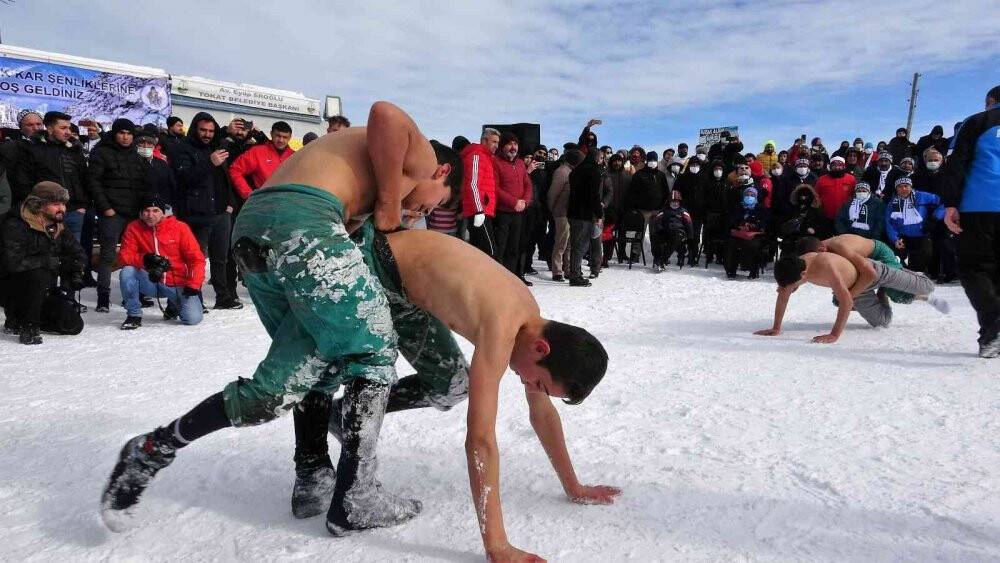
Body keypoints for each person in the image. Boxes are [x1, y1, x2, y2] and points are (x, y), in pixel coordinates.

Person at [99, 101, 464, 533]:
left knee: (289, 381)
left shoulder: (357, 183)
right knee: (373, 349)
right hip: (303, 219)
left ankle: (156, 448)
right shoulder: (420, 160)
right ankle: (357, 495)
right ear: (442, 175)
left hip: (257, 229)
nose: (417, 213)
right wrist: (389, 201)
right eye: (432, 205)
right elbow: (384, 113)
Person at [292, 221, 614, 561]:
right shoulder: (503, 326)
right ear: (542, 349)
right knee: (350, 370)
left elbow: (542, 414)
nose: (529, 387)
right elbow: (481, 442)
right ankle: (326, 454)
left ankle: (342, 416)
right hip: (373, 265)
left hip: (407, 291)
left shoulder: (531, 326)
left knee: (453, 383)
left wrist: (573, 486)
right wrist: (498, 546)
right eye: (539, 384)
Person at [756, 240, 942, 343]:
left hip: (874, 272)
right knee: (882, 322)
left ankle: (904, 274)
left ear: (803, 274)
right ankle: (883, 292)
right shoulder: (792, 269)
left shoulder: (826, 264)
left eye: (792, 285)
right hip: (857, 288)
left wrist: (834, 334)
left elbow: (845, 301)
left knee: (927, 287)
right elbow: (783, 294)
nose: (788, 289)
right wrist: (776, 327)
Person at [941, 85, 1000, 357]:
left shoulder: (977, 121)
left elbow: (957, 163)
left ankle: (992, 328)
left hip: (980, 206)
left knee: (974, 267)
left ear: (990, 101)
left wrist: (951, 203)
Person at [0, 182, 86, 344]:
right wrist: (52, 262)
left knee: (73, 325)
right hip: (11, 286)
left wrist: (74, 269)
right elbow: (13, 263)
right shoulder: (15, 224)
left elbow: (78, 252)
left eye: (63, 204)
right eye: (55, 204)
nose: (62, 208)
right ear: (39, 205)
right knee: (37, 273)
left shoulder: (57, 225)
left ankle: (22, 318)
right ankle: (28, 325)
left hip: (44, 290)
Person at [170, 112, 239, 309]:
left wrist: (230, 203)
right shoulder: (182, 148)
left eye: (210, 131)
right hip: (195, 214)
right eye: (203, 130)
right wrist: (209, 163)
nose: (207, 134)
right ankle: (194, 297)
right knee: (195, 258)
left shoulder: (216, 147)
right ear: (194, 129)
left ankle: (223, 296)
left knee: (221, 258)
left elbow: (226, 179)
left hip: (220, 212)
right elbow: (184, 177)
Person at [116, 195, 205, 329]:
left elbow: (196, 259)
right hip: (150, 280)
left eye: (155, 210)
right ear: (140, 213)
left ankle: (174, 305)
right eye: (146, 211)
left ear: (163, 212)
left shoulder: (180, 227)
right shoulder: (133, 227)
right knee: (127, 271)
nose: (150, 215)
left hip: (176, 282)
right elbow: (124, 256)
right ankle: (133, 315)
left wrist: (194, 284)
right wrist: (144, 259)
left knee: (192, 319)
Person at [89, 118, 150, 312]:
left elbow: (142, 184)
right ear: (115, 133)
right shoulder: (101, 152)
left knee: (135, 255)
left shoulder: (136, 155)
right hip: (112, 213)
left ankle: (134, 294)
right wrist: (106, 207)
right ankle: (103, 298)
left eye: (129, 133)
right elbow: (94, 182)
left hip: (134, 213)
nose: (126, 137)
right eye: (122, 133)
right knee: (107, 256)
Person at [14, 112, 89, 241]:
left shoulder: (74, 149)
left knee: (73, 253)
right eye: (63, 128)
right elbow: (23, 182)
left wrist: (82, 206)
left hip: (74, 211)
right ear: (49, 129)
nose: (68, 132)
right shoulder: (33, 149)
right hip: (44, 213)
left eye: (69, 128)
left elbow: (85, 178)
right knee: (47, 253)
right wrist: (35, 208)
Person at [493, 132, 535, 284]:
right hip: (502, 213)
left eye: (515, 144)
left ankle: (512, 280)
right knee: (500, 248)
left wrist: (525, 201)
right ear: (503, 146)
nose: (513, 147)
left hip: (519, 213)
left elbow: (528, 184)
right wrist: (513, 202)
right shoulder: (496, 162)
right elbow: (495, 188)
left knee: (514, 247)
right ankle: (497, 280)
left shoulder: (520, 164)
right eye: (509, 144)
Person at [885, 177, 944, 272]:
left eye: (906, 186)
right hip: (903, 237)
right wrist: (894, 239)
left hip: (921, 235)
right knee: (896, 259)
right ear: (896, 189)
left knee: (923, 258)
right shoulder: (892, 203)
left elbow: (943, 203)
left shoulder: (921, 196)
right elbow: (889, 223)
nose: (903, 189)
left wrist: (934, 218)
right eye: (900, 187)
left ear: (911, 187)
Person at [567, 144, 604, 285]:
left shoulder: (576, 170)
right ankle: (575, 276)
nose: (602, 160)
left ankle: (574, 272)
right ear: (595, 157)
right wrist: (599, 214)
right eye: (601, 157)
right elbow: (593, 195)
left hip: (572, 212)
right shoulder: (594, 171)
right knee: (580, 246)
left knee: (575, 245)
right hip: (584, 214)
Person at [460, 128, 500, 256]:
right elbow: (473, 184)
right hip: (479, 211)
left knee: (480, 251)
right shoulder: (476, 155)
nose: (496, 146)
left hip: (483, 210)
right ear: (484, 140)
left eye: (497, 143)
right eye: (494, 142)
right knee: (490, 251)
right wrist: (479, 210)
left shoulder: (486, 158)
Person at [626, 151, 669, 265]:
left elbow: (666, 193)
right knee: (639, 233)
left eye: (654, 160)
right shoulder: (639, 174)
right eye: (650, 160)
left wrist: (663, 207)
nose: (652, 162)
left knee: (656, 235)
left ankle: (658, 256)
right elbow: (632, 192)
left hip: (657, 210)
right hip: (642, 210)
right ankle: (635, 254)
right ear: (647, 161)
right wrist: (634, 207)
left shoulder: (661, 175)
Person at [547, 150, 582, 281]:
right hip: (561, 212)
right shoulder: (562, 171)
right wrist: (552, 208)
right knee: (561, 243)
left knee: (569, 244)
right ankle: (557, 271)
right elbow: (553, 193)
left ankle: (567, 270)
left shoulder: (573, 171)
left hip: (571, 213)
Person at [725, 184, 768, 279]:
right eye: (747, 195)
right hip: (739, 233)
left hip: (754, 235)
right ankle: (731, 271)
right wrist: (740, 224)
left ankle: (753, 271)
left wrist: (753, 225)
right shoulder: (738, 207)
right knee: (732, 244)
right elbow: (732, 220)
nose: (749, 197)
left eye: (752, 195)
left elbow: (764, 223)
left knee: (753, 245)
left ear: (756, 197)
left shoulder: (760, 208)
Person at [136, 127, 177, 211]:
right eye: (142, 142)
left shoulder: (162, 163)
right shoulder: (130, 162)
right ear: (136, 144)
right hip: (137, 207)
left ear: (154, 145)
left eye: (149, 143)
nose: (145, 146)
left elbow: (170, 185)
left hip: (160, 207)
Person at [652, 190, 694, 269]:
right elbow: (657, 221)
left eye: (677, 201)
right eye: (673, 201)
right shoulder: (664, 211)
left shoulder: (683, 212)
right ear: (669, 201)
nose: (675, 203)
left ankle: (663, 260)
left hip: (679, 233)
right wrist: (660, 228)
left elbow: (689, 224)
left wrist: (690, 238)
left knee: (674, 240)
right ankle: (657, 258)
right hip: (666, 231)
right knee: (656, 237)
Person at [814, 156, 856, 220]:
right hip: (825, 217)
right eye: (834, 165)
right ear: (830, 167)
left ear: (844, 166)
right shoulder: (821, 180)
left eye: (840, 165)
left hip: (845, 216)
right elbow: (815, 196)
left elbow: (855, 196)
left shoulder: (851, 179)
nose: (837, 167)